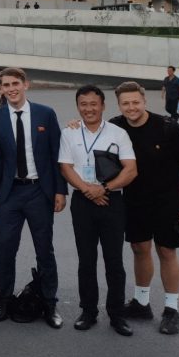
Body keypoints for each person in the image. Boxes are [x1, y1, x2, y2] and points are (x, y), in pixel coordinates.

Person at [111, 81, 179, 335]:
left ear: (145, 101)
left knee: (166, 251)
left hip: (169, 200)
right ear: (119, 105)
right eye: (125, 103)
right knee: (139, 248)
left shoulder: (168, 127)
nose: (131, 107)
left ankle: (171, 309)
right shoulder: (115, 127)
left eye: (135, 102)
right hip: (134, 199)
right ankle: (141, 302)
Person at [0, 67, 66, 329]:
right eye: (5, 85)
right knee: (6, 249)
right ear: (0, 89)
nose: (10, 89)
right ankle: (5, 300)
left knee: (45, 250)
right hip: (10, 194)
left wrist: (59, 191)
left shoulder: (45, 113)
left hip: (39, 192)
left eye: (15, 84)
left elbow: (57, 155)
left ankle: (49, 303)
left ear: (25, 85)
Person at [58, 85, 138, 335]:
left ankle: (117, 314)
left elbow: (130, 169)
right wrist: (87, 189)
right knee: (86, 260)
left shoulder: (118, 133)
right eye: (83, 104)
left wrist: (104, 188)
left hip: (112, 202)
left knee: (114, 261)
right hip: (83, 202)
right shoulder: (69, 132)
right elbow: (66, 167)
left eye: (94, 104)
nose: (89, 108)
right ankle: (88, 311)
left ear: (103, 105)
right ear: (78, 106)